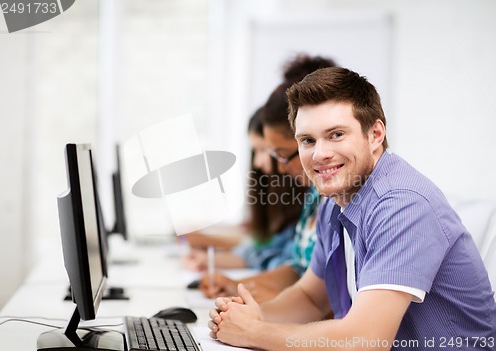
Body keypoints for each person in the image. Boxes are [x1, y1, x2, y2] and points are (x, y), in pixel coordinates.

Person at [207, 67, 496, 350]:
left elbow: (366, 340)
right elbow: (309, 297)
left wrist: (256, 332)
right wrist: (247, 317)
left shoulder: (403, 204)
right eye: (307, 140)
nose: (320, 154)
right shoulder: (335, 201)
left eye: (336, 135)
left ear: (375, 135)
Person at [199, 54, 337, 302]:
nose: (271, 166)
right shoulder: (317, 195)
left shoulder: (353, 201)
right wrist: (239, 289)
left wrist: (254, 311)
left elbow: (326, 301)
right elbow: (299, 274)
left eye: (277, 154)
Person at [183, 106, 306, 272]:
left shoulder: (308, 200)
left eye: (263, 150)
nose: (258, 163)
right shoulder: (287, 201)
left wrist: (212, 251)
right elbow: (260, 243)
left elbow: (283, 262)